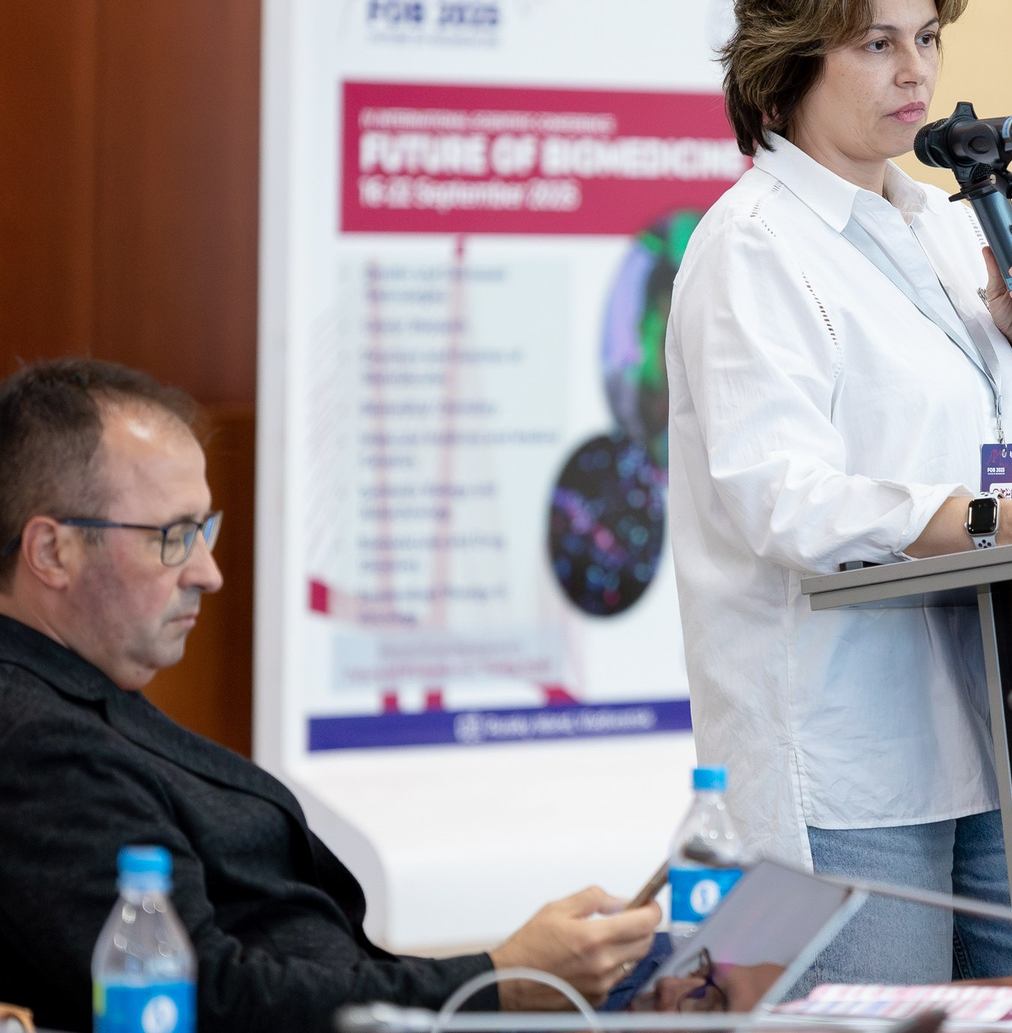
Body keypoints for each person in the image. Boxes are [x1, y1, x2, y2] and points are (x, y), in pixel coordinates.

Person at [665, 0, 1012, 984]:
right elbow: (782, 499)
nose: (914, 70)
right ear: (792, 57)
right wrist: (996, 519)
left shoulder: (946, 224)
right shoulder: (751, 248)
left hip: (985, 731)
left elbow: (1011, 453)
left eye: (926, 38)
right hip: (841, 754)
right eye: (877, 43)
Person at [0, 359, 662, 1032]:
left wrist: (563, 985)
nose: (209, 572)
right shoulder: (37, 745)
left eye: (205, 530)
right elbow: (205, 996)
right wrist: (502, 984)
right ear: (52, 552)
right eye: (173, 537)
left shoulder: (77, 693)